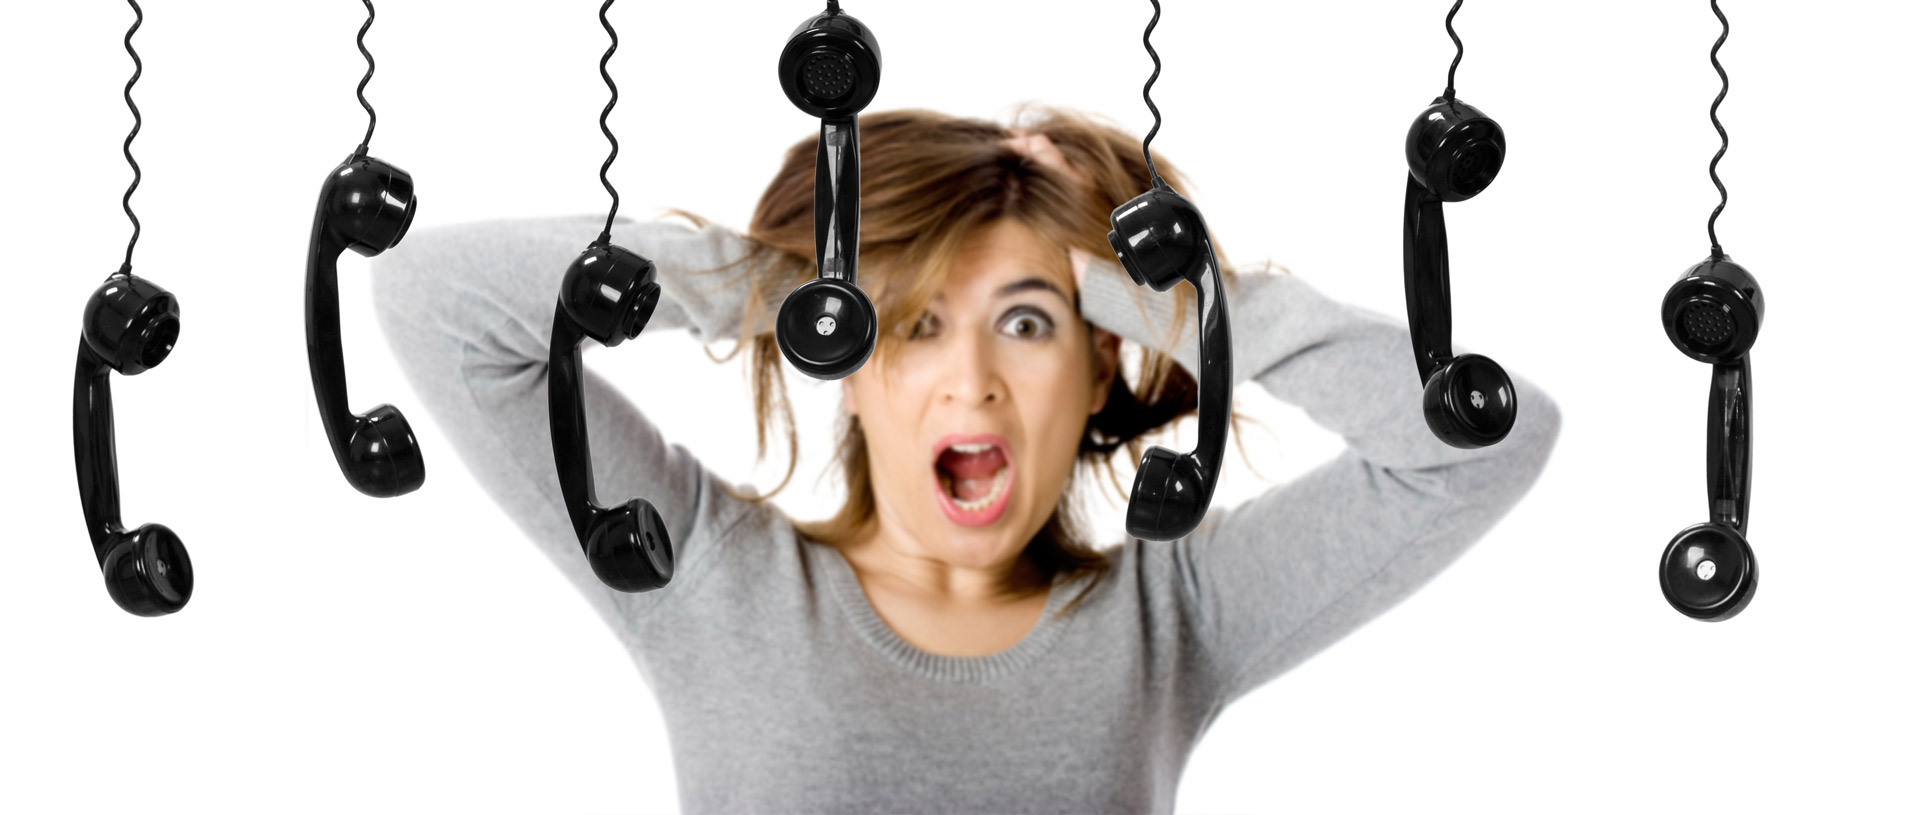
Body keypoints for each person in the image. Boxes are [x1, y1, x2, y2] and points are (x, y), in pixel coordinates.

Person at [372, 107, 1560, 813]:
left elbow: (1482, 441)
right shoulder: (706, 574)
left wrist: (1182, 305)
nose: (973, 377)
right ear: (849, 361)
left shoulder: (1176, 614)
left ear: (1098, 366)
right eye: (917, 323)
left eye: (1029, 321)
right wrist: (788, 286)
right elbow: (435, 299)